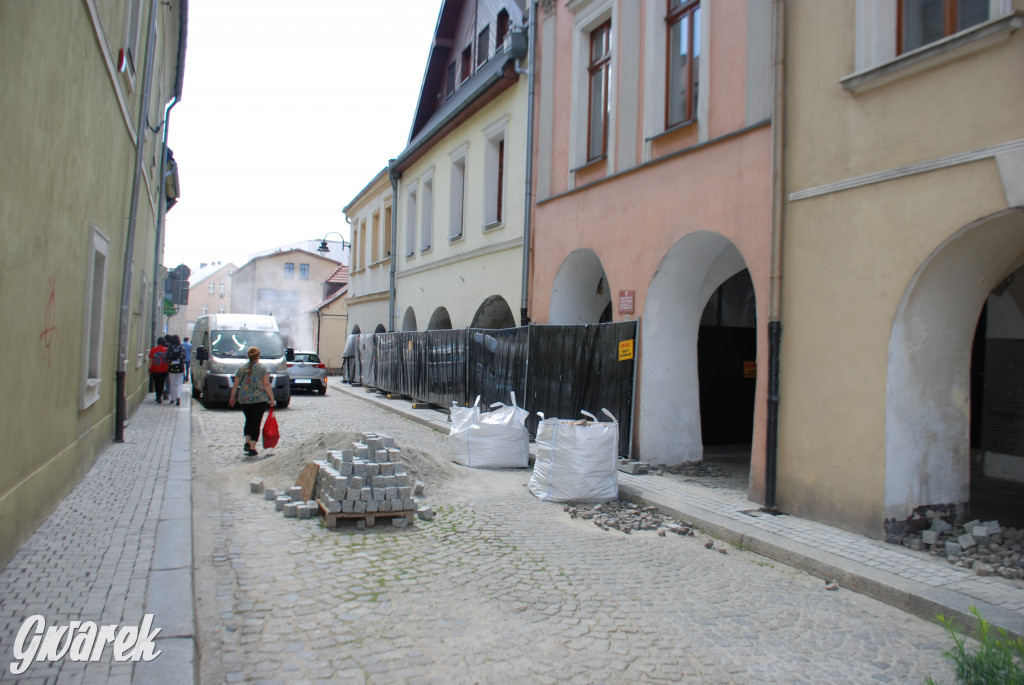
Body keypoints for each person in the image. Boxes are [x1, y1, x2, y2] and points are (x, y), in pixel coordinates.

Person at [229, 346, 275, 457]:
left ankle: (247, 441)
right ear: (258, 356)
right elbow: (266, 384)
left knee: (248, 420)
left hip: (244, 399)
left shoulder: (241, 368)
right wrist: (272, 398)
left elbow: (235, 385)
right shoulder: (263, 368)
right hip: (259, 399)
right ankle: (252, 447)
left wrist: (232, 397)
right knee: (256, 422)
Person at [148, 337, 169, 404]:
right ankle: (160, 396)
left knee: (156, 383)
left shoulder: (153, 350)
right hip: (164, 369)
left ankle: (158, 396)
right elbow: (168, 360)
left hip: (155, 369)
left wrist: (149, 368)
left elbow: (151, 360)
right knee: (162, 383)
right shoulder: (166, 350)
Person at [166, 335, 185, 406]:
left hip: (172, 367)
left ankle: (173, 398)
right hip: (180, 367)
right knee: (179, 383)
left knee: (172, 383)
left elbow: (167, 357)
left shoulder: (170, 348)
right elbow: (183, 358)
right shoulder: (182, 348)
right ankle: (178, 397)